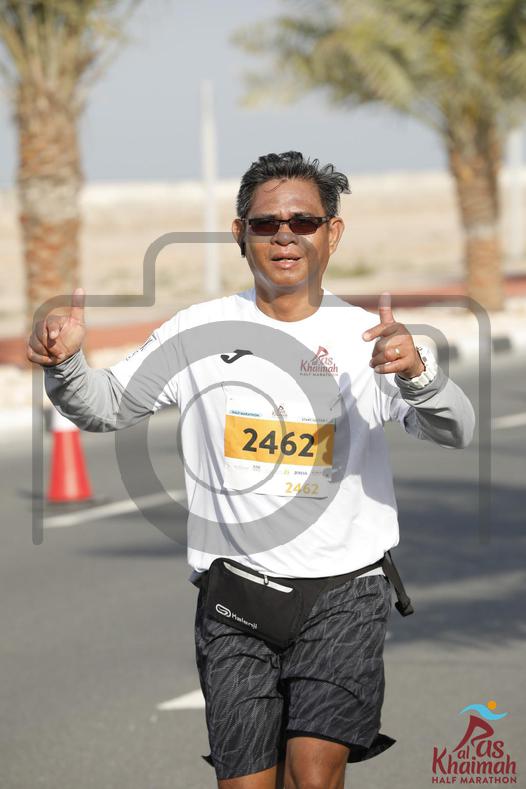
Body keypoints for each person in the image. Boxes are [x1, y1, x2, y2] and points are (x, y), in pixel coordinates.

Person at [27, 151, 475, 789]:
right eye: (266, 224)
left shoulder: (373, 341)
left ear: (332, 233)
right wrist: (65, 366)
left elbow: (457, 429)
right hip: (235, 595)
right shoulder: (197, 330)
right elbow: (106, 407)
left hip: (345, 592)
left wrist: (420, 376)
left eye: (304, 222)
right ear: (240, 235)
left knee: (313, 777)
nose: (285, 235)